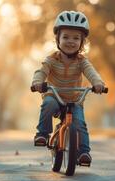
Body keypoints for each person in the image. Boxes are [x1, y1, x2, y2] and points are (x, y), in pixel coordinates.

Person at [31, 10, 105, 165]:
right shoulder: (51, 59)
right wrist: (37, 82)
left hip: (74, 99)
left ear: (82, 42)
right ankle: (43, 133)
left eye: (76, 38)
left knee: (79, 124)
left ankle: (83, 153)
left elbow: (92, 72)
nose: (70, 41)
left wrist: (98, 84)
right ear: (58, 39)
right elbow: (41, 71)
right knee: (48, 104)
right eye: (66, 37)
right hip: (55, 96)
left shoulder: (81, 61)